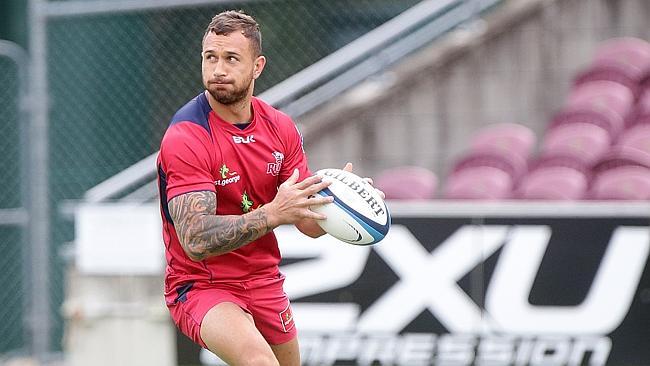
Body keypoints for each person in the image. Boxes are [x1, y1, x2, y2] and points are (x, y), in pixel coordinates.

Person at [156, 10, 381, 365]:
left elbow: (308, 223)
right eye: (210, 57)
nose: (218, 70)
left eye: (231, 59)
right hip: (202, 285)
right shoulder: (187, 136)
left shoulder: (279, 128)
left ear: (257, 66)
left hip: (264, 282)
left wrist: (340, 199)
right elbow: (196, 241)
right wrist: (273, 213)